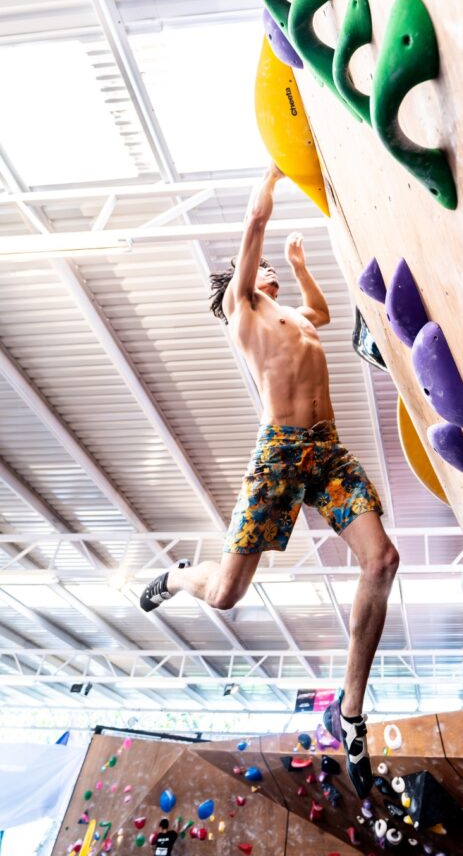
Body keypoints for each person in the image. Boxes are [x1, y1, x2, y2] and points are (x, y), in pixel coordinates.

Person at [140, 164, 399, 797]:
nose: (268, 273)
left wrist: (299, 263)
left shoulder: (294, 316)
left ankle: (352, 711)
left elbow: (324, 312)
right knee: (226, 593)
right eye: (260, 270)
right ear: (243, 283)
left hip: (327, 451)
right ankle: (177, 575)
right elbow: (255, 219)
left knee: (383, 561)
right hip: (279, 454)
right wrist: (276, 165)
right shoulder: (242, 312)